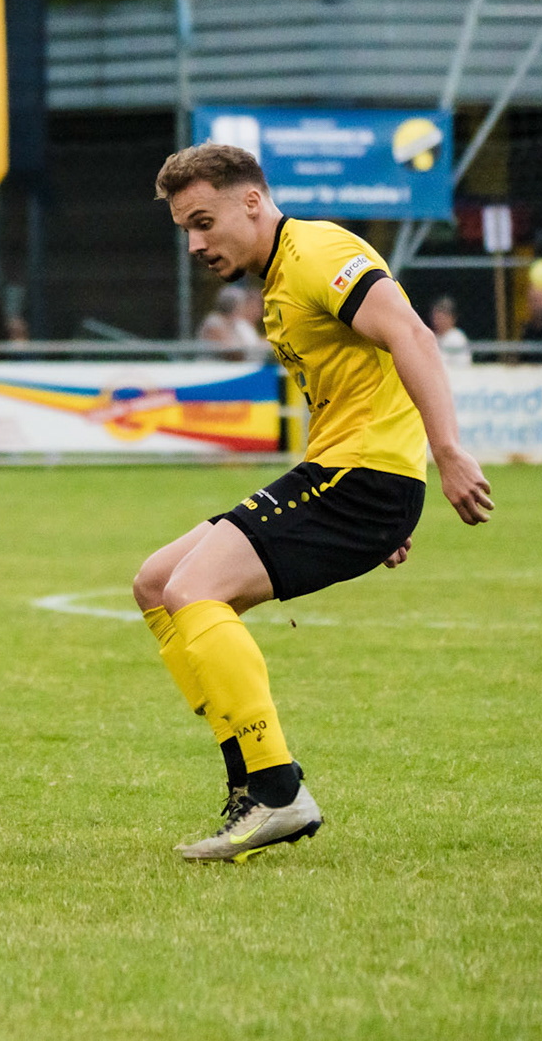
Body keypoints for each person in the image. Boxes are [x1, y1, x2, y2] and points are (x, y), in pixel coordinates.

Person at [130, 143, 492, 862]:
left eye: (204, 222)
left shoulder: (318, 252)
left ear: (252, 202)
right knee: (156, 583)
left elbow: (411, 335)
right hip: (354, 480)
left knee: (194, 590)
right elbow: (364, 383)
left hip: (360, 478)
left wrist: (445, 452)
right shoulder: (277, 281)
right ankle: (249, 784)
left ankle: (276, 790)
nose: (196, 244)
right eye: (186, 230)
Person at [197, 285, 266, 360]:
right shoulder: (215, 322)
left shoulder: (235, 323)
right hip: (211, 364)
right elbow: (231, 350)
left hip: (231, 364)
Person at [429, 295, 474, 369]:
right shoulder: (432, 336)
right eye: (436, 316)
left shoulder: (456, 338)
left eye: (442, 317)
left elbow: (462, 364)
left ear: (452, 318)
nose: (437, 320)